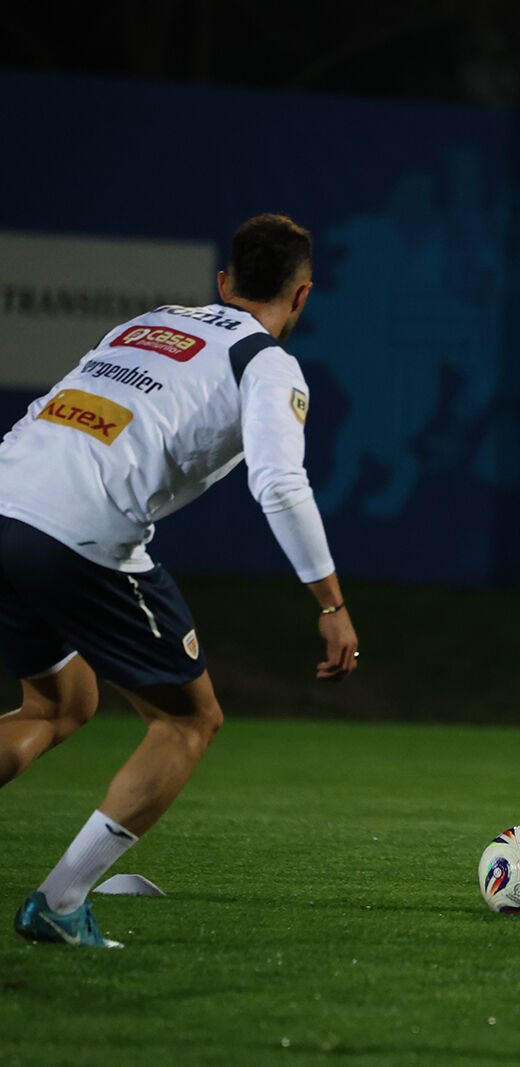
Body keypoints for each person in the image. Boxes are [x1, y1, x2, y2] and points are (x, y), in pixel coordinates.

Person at [0, 213, 359, 948]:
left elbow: (54, 407)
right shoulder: (266, 363)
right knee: (188, 721)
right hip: (80, 531)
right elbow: (280, 484)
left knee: (59, 703)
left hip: (6, 497)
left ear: (224, 283)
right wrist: (331, 602)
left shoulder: (152, 322)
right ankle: (61, 902)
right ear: (302, 295)